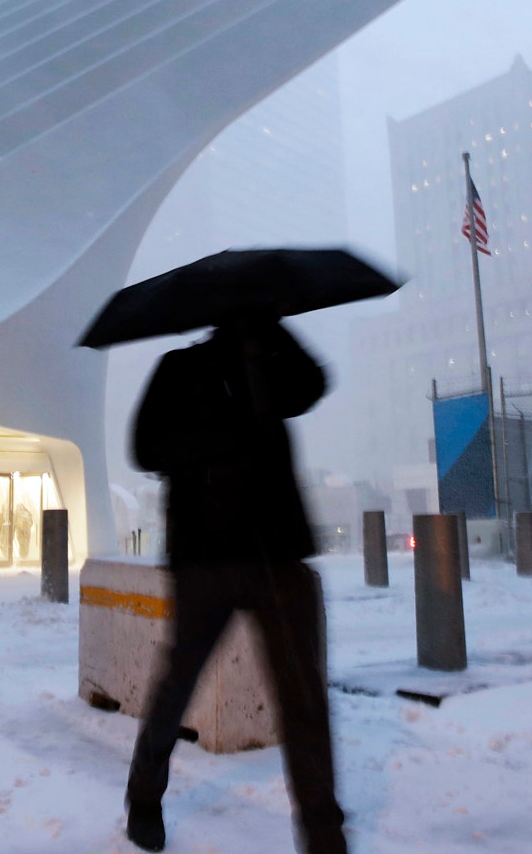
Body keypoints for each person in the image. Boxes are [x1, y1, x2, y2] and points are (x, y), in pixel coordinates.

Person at [124, 315, 347, 854]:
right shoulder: (179, 369)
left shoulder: (269, 360)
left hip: (277, 552)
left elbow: (313, 383)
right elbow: (146, 449)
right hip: (205, 555)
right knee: (179, 682)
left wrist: (270, 343)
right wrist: (219, 434)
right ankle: (145, 796)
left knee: (303, 697)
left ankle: (323, 834)